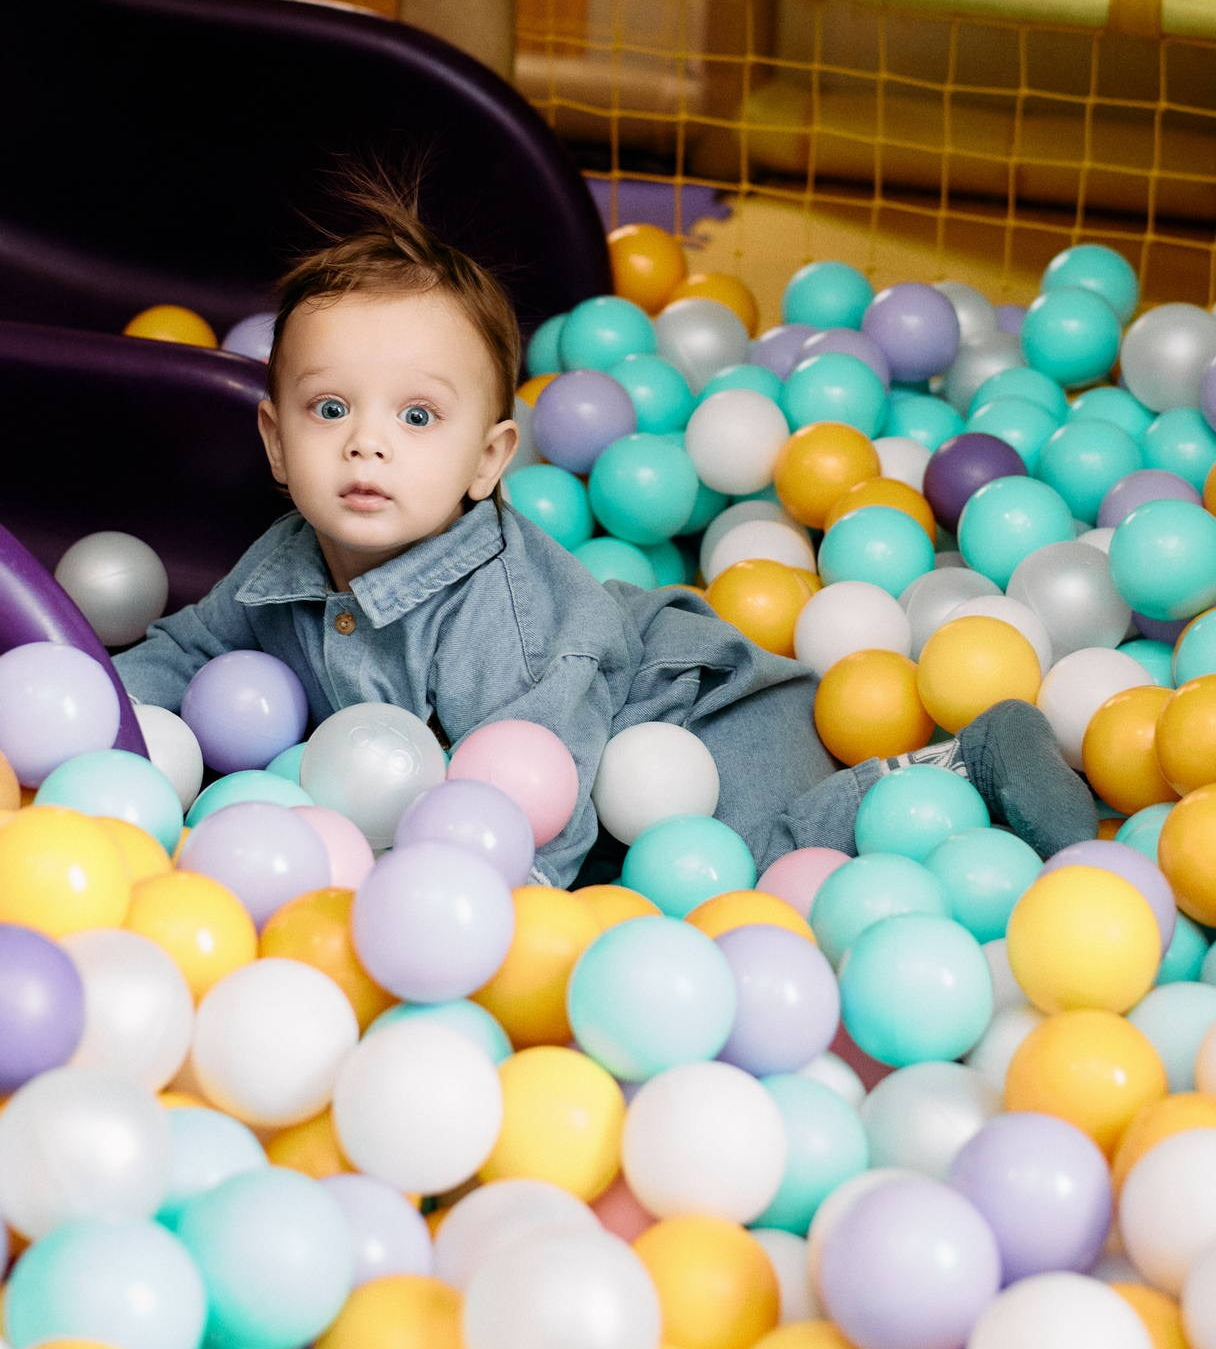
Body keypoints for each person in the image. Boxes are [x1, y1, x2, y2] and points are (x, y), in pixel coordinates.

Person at [115, 179, 1097, 886]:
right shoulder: (279, 563)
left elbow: (538, 780)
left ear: (489, 460)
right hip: (603, 753)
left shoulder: (495, 609)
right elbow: (187, 649)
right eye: (330, 410)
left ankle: (960, 765)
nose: (367, 444)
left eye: (416, 418)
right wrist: (90, 714)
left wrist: (491, 919)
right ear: (275, 441)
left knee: (741, 878)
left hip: (704, 712)